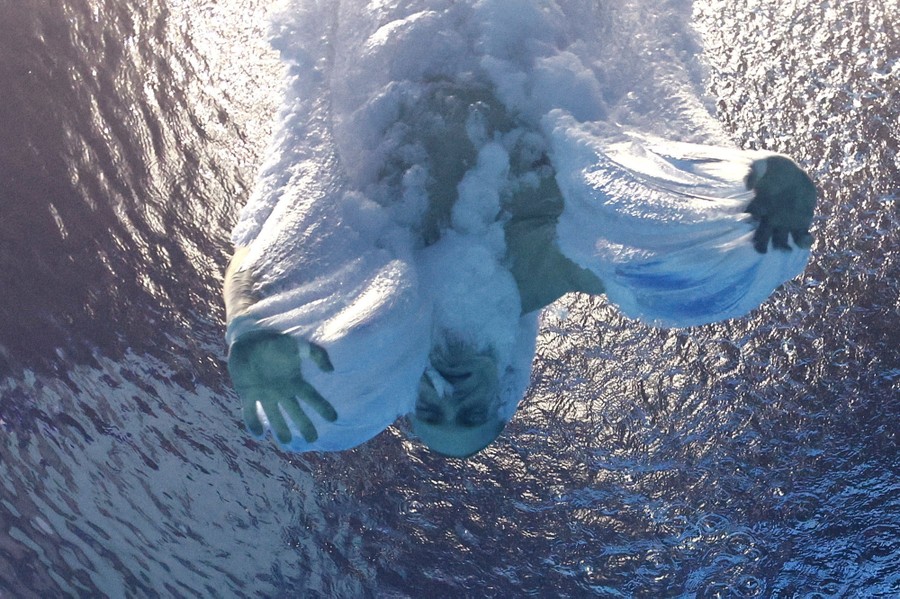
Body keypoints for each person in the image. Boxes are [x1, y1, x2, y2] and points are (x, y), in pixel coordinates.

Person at [223, 77, 816, 458]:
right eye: (471, 411)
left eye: (430, 410)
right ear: (506, 387)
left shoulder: (372, 275)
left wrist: (249, 322)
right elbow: (659, 234)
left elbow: (270, 245)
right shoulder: (555, 269)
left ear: (406, 391)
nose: (449, 394)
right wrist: (746, 193)